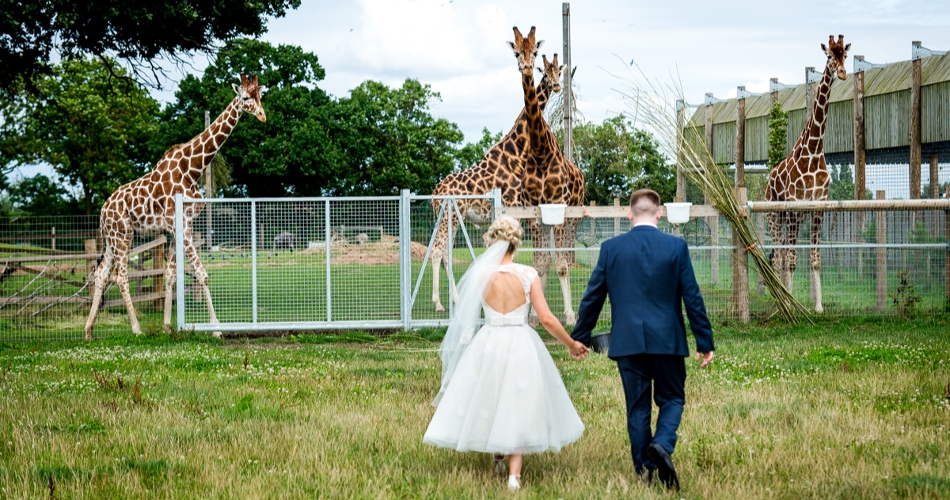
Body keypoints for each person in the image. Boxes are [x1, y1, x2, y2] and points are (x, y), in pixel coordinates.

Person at [423, 215, 589, 491]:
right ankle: (514, 476)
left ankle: (497, 458)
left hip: (488, 339)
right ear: (516, 244)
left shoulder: (480, 276)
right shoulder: (528, 275)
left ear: (492, 241)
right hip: (519, 341)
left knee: (492, 393)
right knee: (517, 401)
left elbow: (467, 313)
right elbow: (546, 319)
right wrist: (571, 343)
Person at [571, 189, 715, 490]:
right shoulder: (676, 247)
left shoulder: (611, 248)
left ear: (629, 214)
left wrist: (580, 337)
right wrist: (705, 341)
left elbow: (592, 298)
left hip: (627, 343)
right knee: (672, 398)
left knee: (637, 409)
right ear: (659, 213)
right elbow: (693, 297)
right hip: (668, 341)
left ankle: (646, 472)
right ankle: (662, 444)